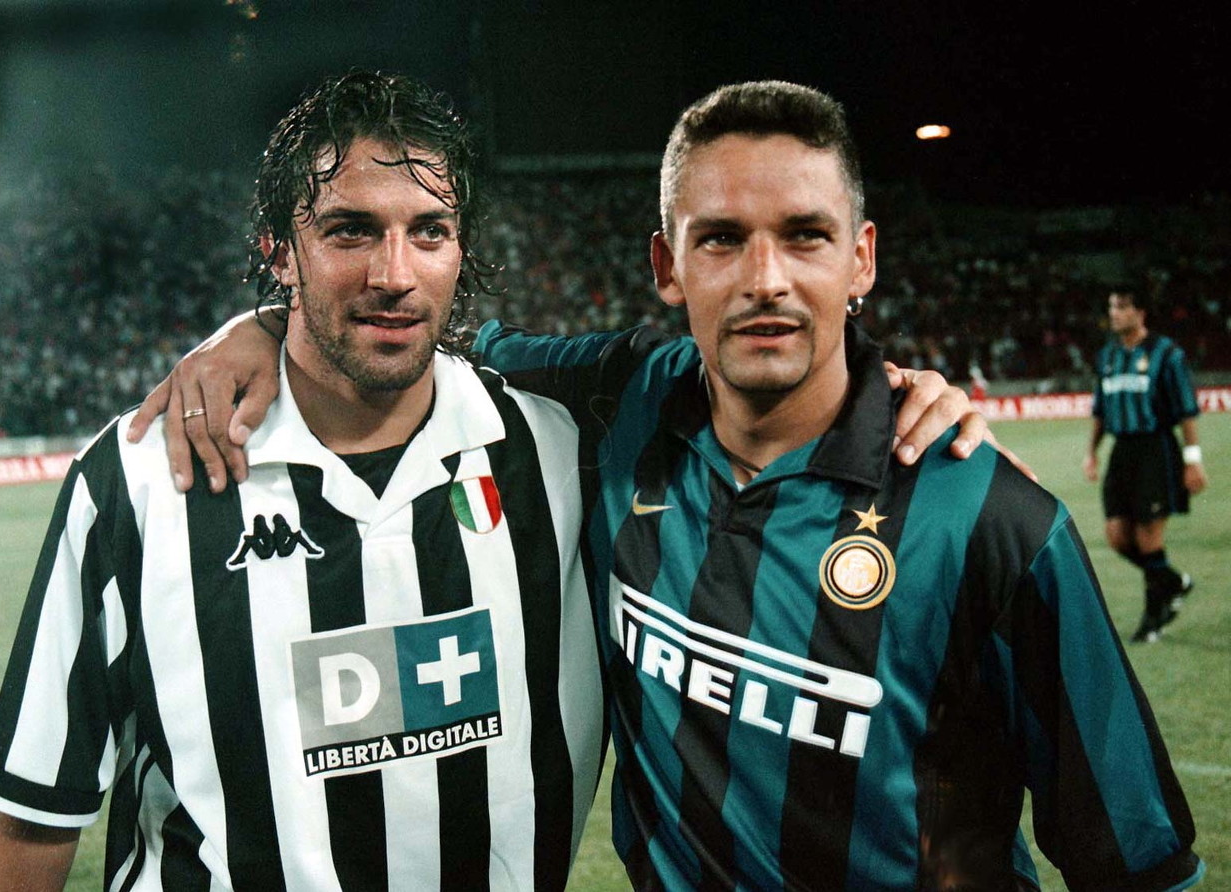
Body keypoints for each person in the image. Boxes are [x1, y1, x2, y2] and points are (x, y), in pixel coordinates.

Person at [130, 82, 1198, 890]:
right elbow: (413, 335)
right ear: (666, 267)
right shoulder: (621, 401)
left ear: (862, 259)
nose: (766, 278)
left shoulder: (990, 519)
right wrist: (259, 325)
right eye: (721, 239)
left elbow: (1139, 861)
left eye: (806, 236)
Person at [0, 71, 608, 891]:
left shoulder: (561, 454)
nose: (395, 272)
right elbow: (34, 811)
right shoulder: (140, 478)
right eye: (350, 231)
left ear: (461, 250)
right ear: (279, 250)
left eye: (430, 231)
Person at [1083, 289, 1207, 643]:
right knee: (1117, 536)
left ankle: (1154, 619)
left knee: (1148, 536)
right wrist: (1091, 452)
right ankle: (1173, 582)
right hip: (1121, 451)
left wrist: (1193, 459)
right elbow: (1100, 410)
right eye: (1111, 307)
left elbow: (1186, 409)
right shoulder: (1107, 356)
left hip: (1156, 449)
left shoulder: (1166, 353)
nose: (1114, 313)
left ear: (1141, 312)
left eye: (1122, 307)